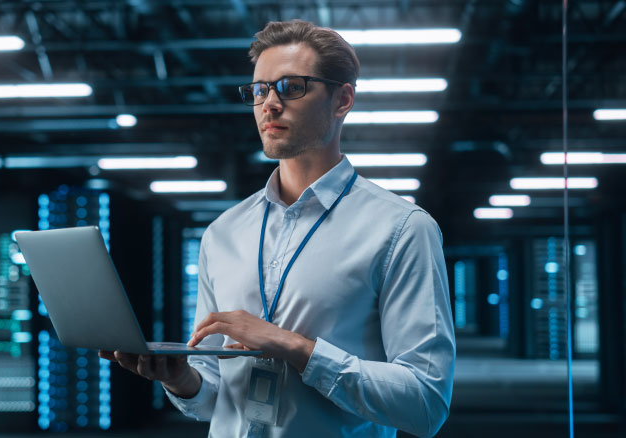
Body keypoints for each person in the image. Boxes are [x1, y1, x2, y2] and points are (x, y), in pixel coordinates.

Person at [100, 19, 455, 438]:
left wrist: (296, 348)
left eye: (292, 87)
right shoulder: (223, 233)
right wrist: (181, 379)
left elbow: (426, 403)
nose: (269, 103)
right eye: (260, 89)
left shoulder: (401, 229)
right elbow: (214, 394)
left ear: (343, 100)